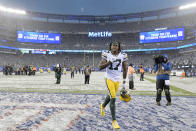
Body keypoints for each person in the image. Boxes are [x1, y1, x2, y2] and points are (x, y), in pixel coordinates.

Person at [98, 41, 128, 129]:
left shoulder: (123, 55)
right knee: (113, 98)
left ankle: (103, 105)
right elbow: (100, 67)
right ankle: (114, 121)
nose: (114, 47)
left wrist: (124, 84)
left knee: (110, 95)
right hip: (109, 78)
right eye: (112, 45)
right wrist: (109, 62)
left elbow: (125, 69)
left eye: (116, 45)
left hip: (117, 79)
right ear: (110, 47)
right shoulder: (106, 54)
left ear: (119, 47)